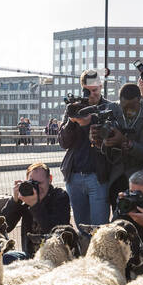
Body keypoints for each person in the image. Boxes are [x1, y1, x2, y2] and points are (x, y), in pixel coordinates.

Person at [58, 69, 119, 226]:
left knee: (99, 228)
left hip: (98, 177)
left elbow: (112, 141)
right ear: (82, 88)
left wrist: (90, 123)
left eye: (95, 90)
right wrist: (72, 121)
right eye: (88, 90)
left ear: (101, 85)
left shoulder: (109, 107)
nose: (92, 94)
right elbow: (63, 143)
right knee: (82, 228)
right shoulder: (73, 108)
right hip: (74, 176)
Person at [0, 162, 72, 255]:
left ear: (50, 179)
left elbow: (57, 232)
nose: (37, 187)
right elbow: (4, 228)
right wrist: (14, 201)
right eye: (33, 183)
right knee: (7, 257)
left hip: (56, 255)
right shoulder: (26, 198)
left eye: (40, 183)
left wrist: (34, 205)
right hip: (30, 256)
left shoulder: (60, 196)